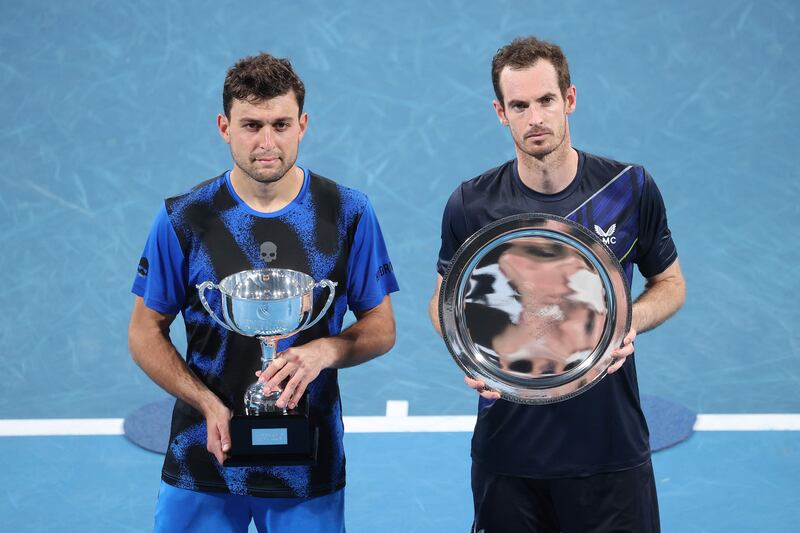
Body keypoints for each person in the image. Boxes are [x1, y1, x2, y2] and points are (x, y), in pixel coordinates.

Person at [128, 52, 399, 532]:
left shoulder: (349, 213)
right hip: (202, 457)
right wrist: (207, 402)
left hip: (308, 464)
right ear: (223, 126)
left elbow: (381, 327)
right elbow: (144, 331)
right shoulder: (184, 219)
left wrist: (325, 350)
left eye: (281, 124)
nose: (267, 142)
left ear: (303, 125)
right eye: (251, 125)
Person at [429, 36, 686, 532]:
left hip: (610, 449)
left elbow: (670, 283)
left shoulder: (628, 189)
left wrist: (628, 320)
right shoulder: (472, 204)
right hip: (510, 454)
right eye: (519, 106)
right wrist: (468, 349)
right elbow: (443, 299)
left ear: (569, 99)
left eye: (546, 100)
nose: (535, 118)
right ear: (501, 113)